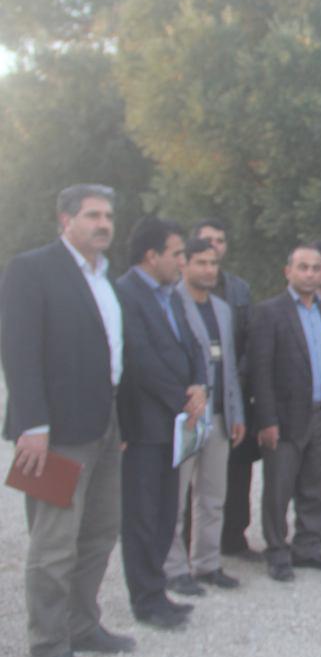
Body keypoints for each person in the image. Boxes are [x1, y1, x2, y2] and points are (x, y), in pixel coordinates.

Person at [1, 184, 131, 657]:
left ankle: (82, 625)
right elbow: (19, 350)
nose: (104, 224)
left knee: (100, 530)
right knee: (54, 542)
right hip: (54, 432)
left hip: (105, 424)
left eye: (108, 216)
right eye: (93, 215)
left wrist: (120, 422)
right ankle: (47, 647)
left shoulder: (104, 276)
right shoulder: (32, 269)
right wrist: (32, 425)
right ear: (65, 219)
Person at [115, 217, 208, 629]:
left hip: (175, 424)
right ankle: (145, 599)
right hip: (145, 424)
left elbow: (193, 345)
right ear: (151, 256)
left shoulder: (170, 295)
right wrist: (182, 400)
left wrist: (200, 385)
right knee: (142, 515)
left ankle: (159, 590)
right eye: (177, 254)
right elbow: (140, 360)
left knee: (167, 511)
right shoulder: (125, 294)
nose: (182, 261)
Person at [251, 245, 321, 581]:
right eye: (304, 267)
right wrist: (266, 420)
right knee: (279, 488)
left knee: (317, 486)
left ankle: (308, 547)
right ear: (288, 272)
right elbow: (260, 371)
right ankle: (277, 551)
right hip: (285, 416)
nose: (311, 274)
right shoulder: (269, 312)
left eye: (316, 268)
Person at [165, 237, 246, 595]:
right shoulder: (170, 303)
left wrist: (236, 412)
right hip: (186, 416)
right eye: (201, 262)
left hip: (220, 415)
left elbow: (229, 366)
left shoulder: (223, 309)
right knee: (175, 497)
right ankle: (173, 568)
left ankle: (207, 563)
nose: (209, 270)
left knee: (213, 495)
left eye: (213, 263)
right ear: (184, 264)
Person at [191, 219, 259, 562]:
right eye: (207, 240)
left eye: (219, 240)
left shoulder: (239, 289)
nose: (214, 246)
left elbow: (247, 339)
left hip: (233, 394)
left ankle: (233, 538)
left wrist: (239, 378)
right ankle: (188, 547)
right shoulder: (179, 292)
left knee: (235, 472)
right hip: (193, 398)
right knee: (189, 477)